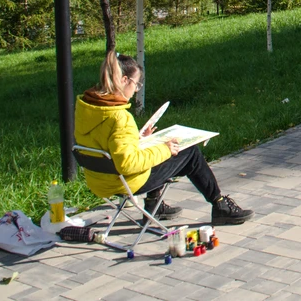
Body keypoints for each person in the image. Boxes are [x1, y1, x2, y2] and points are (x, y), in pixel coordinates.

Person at [74, 51, 253, 225]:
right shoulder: (119, 117)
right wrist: (165, 149)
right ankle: (219, 205)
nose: (136, 90)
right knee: (190, 153)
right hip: (124, 182)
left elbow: (105, 144)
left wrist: (137, 138)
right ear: (123, 80)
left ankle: (154, 205)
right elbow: (127, 164)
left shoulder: (87, 108)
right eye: (136, 84)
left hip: (98, 181)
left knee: (155, 149)